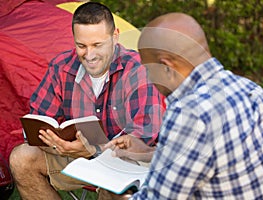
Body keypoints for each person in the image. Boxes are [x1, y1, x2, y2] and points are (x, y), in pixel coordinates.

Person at [106, 13, 263, 199]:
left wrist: (117, 193)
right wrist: (148, 153)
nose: (148, 77)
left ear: (166, 66)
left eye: (148, 69)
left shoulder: (190, 113)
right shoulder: (250, 89)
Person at [9, 2, 164, 199]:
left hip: (126, 161)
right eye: (81, 46)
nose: (89, 55)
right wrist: (57, 142)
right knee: (21, 158)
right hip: (74, 156)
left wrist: (97, 150)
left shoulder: (138, 70)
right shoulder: (62, 66)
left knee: (117, 186)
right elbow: (40, 119)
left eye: (97, 45)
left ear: (115, 36)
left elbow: (143, 136)